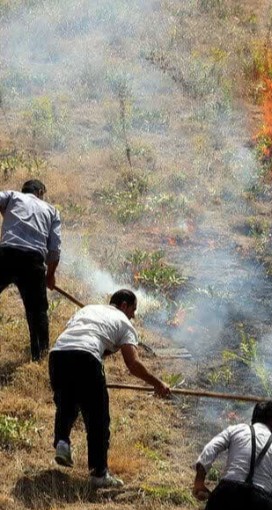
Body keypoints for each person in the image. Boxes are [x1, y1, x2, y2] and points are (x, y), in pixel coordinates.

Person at [49, 289, 171, 488]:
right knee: (97, 418)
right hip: (86, 357)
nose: (133, 315)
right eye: (133, 310)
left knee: (66, 403)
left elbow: (78, 337)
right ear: (124, 305)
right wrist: (158, 383)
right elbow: (133, 364)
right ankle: (99, 474)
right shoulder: (125, 323)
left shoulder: (88, 309)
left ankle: (62, 442)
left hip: (58, 355)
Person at [0, 179, 62, 361]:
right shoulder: (51, 211)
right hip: (33, 262)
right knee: (37, 312)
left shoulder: (13, 197)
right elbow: (54, 249)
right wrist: (50, 276)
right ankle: (40, 356)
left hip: (6, 254)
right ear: (40, 192)